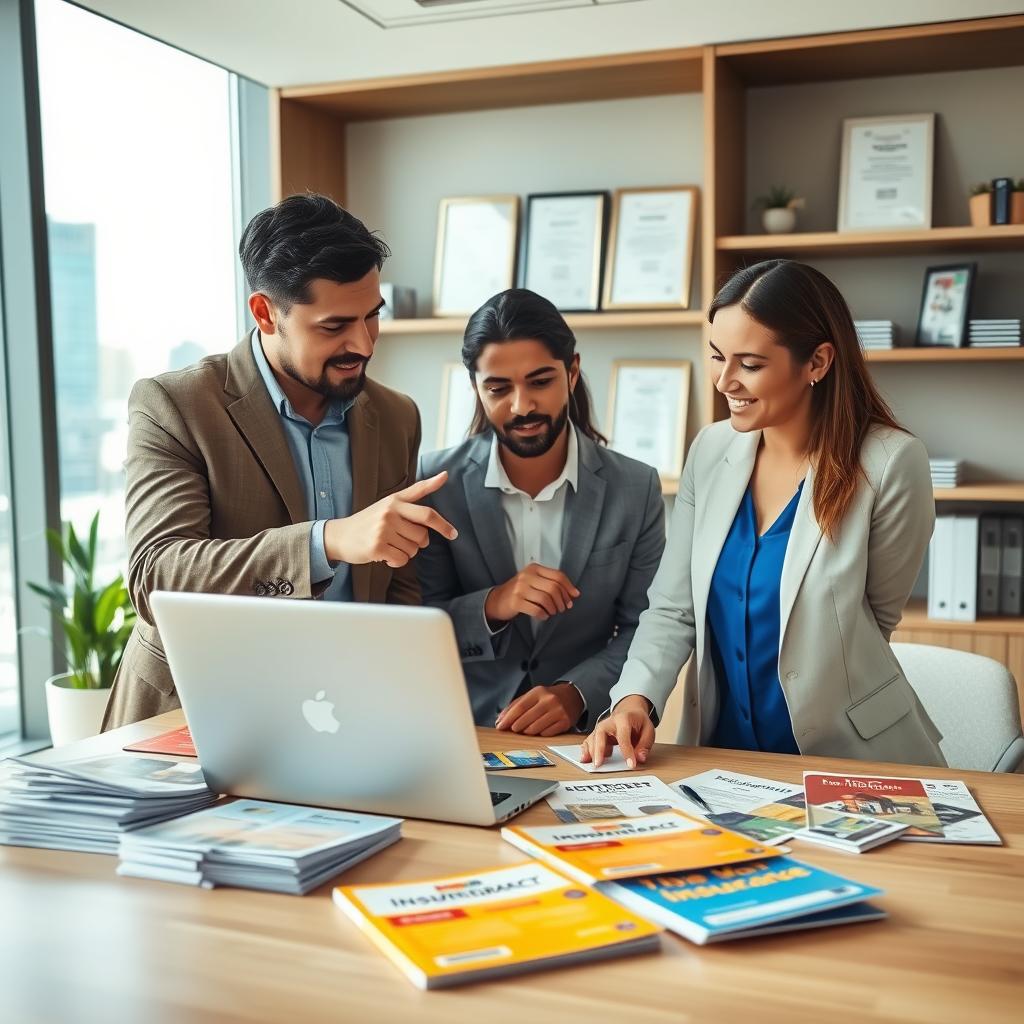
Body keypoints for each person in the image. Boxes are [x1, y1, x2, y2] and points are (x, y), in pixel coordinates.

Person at [102, 194, 456, 730]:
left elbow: (397, 590)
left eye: (372, 317)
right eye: (334, 326)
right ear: (266, 313)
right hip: (195, 717)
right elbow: (159, 576)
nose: (363, 343)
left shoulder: (397, 416)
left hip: (341, 720)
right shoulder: (175, 405)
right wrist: (329, 541)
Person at [581, 259, 945, 768]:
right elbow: (672, 607)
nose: (724, 381)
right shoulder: (710, 451)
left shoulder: (890, 463)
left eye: (750, 364)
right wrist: (635, 698)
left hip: (852, 758)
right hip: (723, 757)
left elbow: (874, 622)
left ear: (817, 362)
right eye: (716, 356)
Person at [416, 289, 665, 736]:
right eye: (498, 388)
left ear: (572, 373)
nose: (522, 405)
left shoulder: (637, 487)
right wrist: (495, 604)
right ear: (474, 386)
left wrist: (578, 692)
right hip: (461, 732)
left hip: (586, 739)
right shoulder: (433, 483)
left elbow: (645, 627)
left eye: (540, 381)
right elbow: (415, 623)